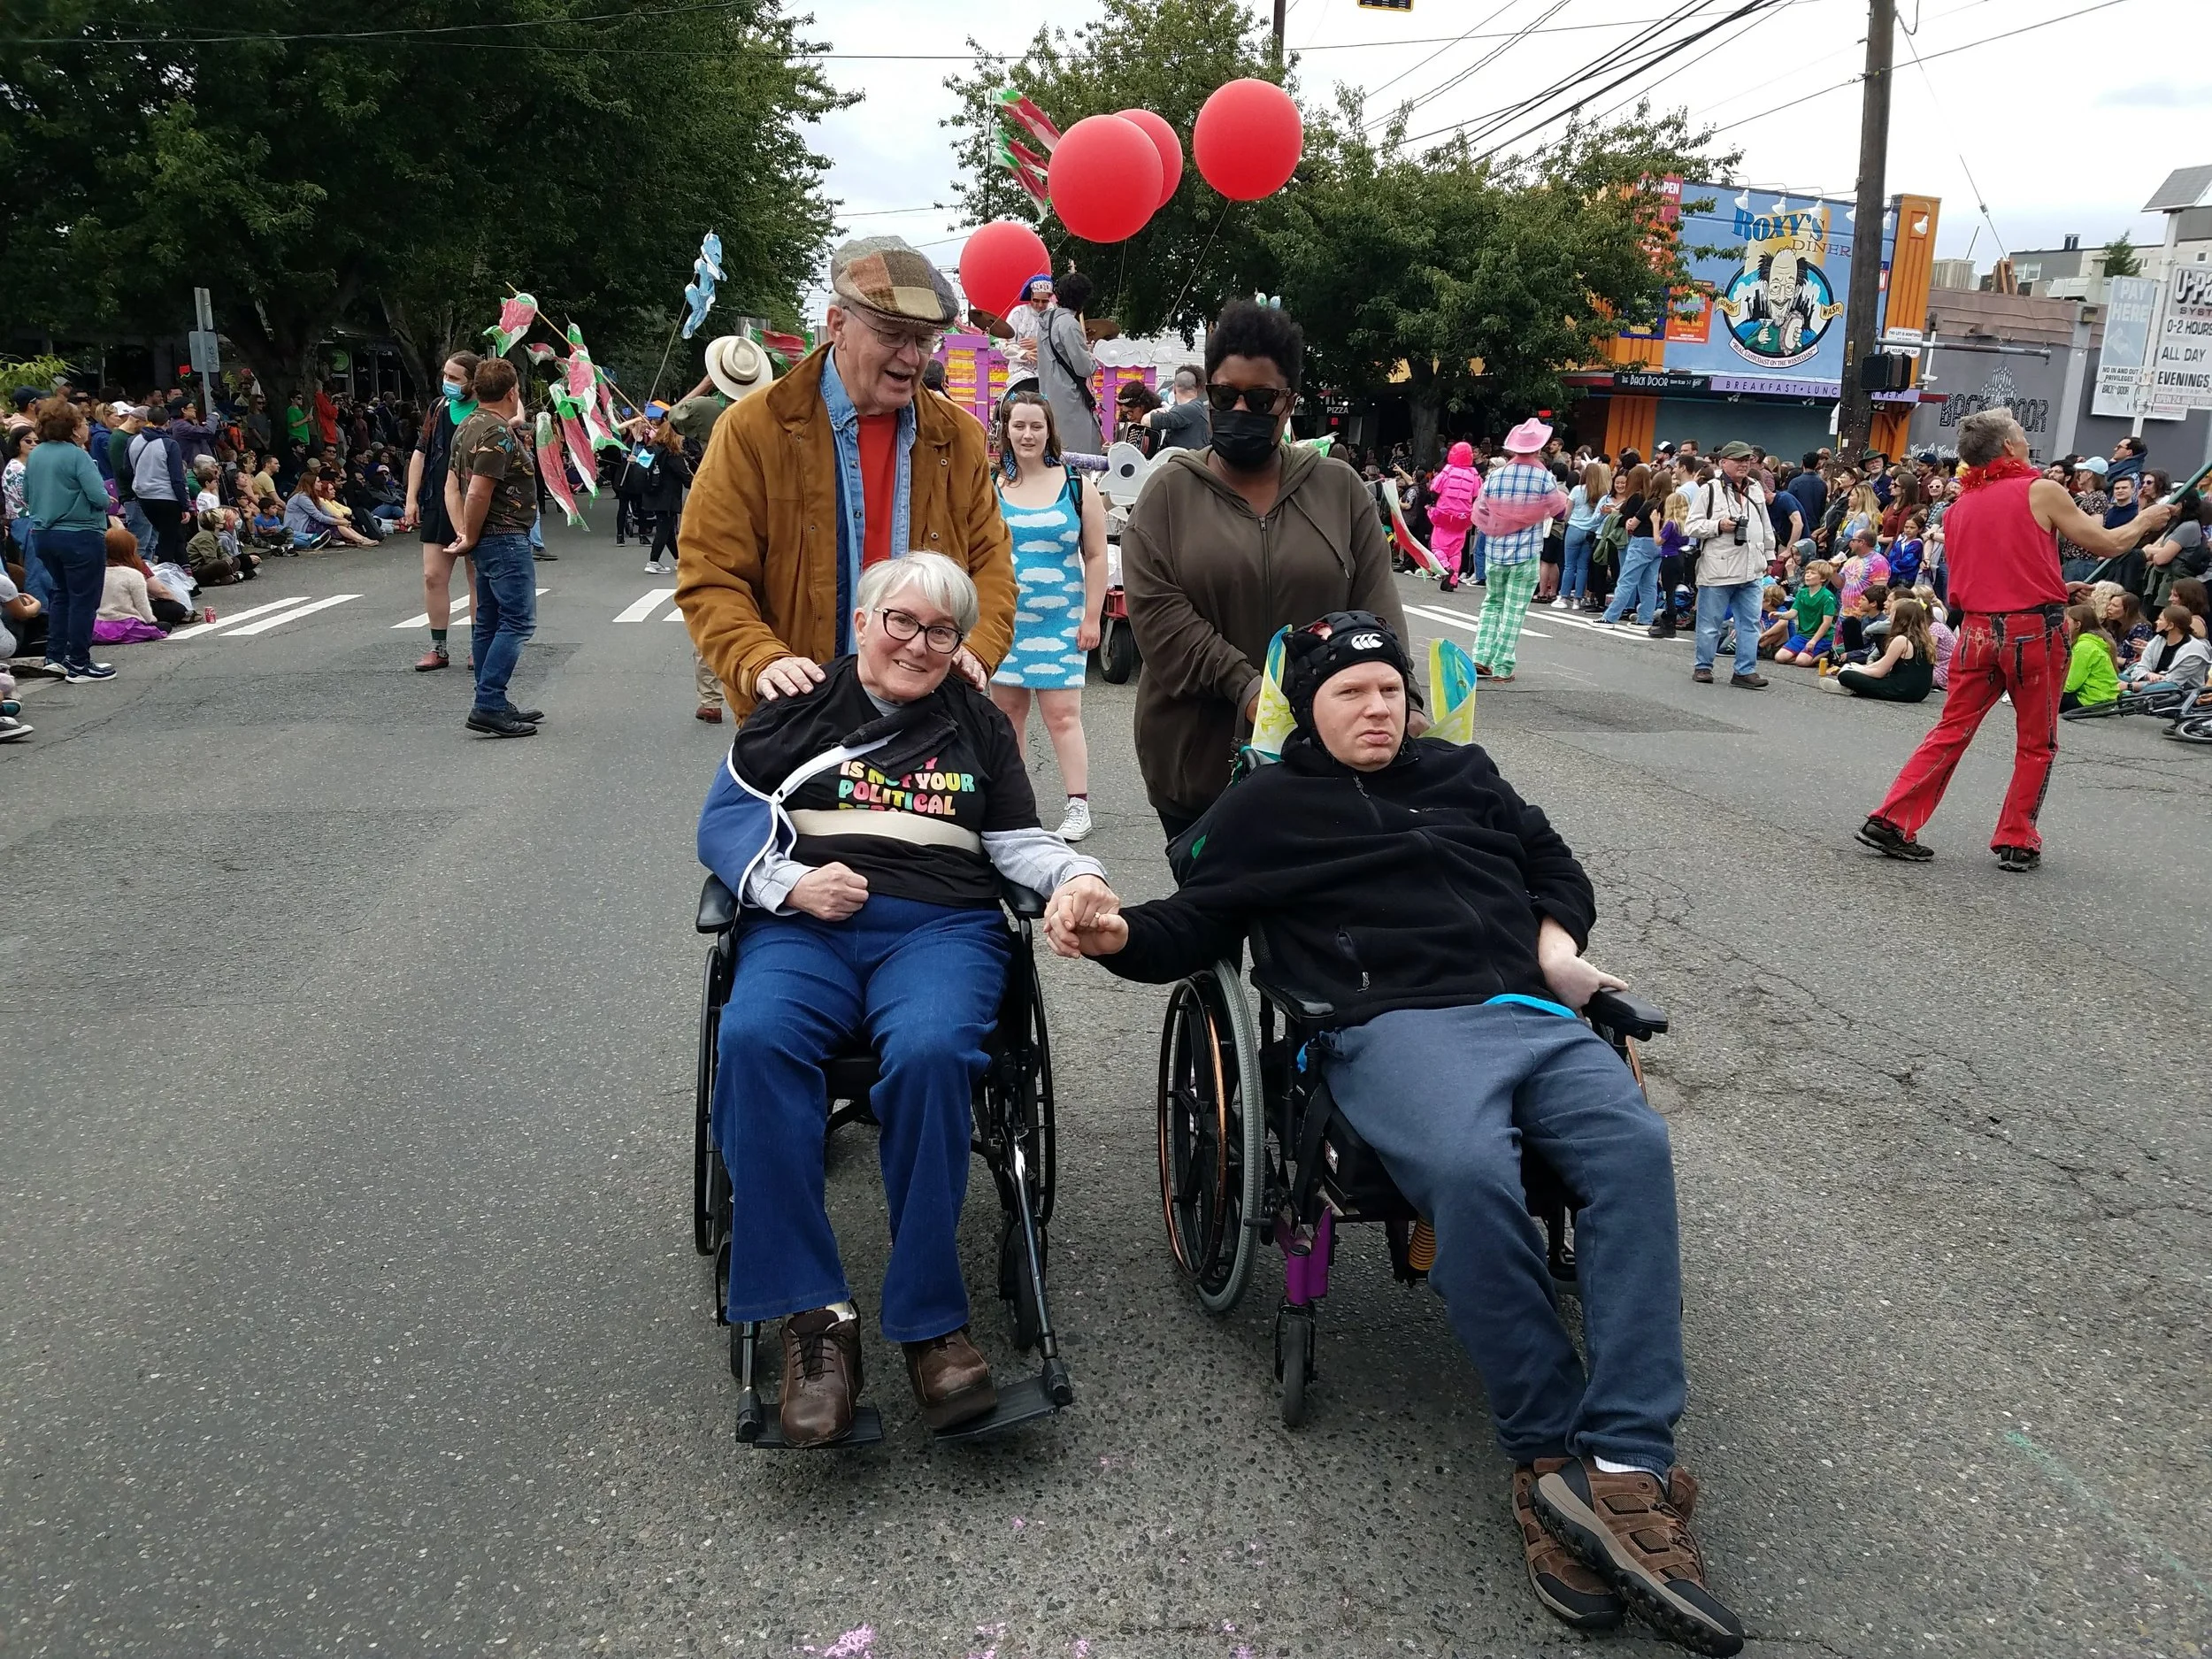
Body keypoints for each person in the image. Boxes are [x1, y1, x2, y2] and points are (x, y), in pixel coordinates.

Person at [1053, 612, 1744, 1657]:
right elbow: (1191, 926)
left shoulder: (1463, 775)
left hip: (1528, 1013)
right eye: (1349, 694)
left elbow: (1556, 868)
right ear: (1309, 712)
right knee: (1468, 1174)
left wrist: (1556, 946)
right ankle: (1547, 1451)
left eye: (1390, 691)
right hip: (1390, 1029)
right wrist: (1112, 931)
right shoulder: (1265, 808)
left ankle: (1623, 1467)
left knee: (1633, 1152)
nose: (1377, 709)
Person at [695, 552, 1115, 1447]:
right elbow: (723, 824)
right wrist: (784, 885)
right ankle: (815, 1322)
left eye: (940, 631)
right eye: (902, 622)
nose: (918, 646)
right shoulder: (797, 702)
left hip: (938, 927)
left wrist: (1080, 877)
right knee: (756, 1037)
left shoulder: (974, 720)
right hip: (807, 922)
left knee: (931, 1053)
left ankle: (931, 1321)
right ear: (862, 622)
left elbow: (1014, 842)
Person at [677, 235, 1015, 722]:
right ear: (838, 326)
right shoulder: (755, 427)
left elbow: (992, 565)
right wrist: (761, 658)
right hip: (798, 716)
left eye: (924, 340)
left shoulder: (958, 436)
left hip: (925, 714)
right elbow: (711, 574)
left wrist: (977, 647)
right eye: (892, 334)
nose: (911, 357)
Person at [1118, 300, 1422, 841]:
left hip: (1324, 766)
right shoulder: (1168, 492)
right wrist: (1250, 689)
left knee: (1313, 923)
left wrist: (1405, 698)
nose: (1238, 409)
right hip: (1197, 766)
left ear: (1289, 404)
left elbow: (1378, 611)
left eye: (1258, 399)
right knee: (1208, 921)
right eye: (1223, 395)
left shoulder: (1339, 489)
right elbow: (1160, 620)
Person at [1858, 407, 2175, 873]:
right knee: (2036, 742)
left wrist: (2053, 588)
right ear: (2008, 447)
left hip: (1977, 632)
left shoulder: (1962, 506)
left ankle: (1892, 817)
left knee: (1951, 730)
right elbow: (2108, 543)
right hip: (2031, 634)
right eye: (2022, 436)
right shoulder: (2041, 489)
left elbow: (1983, 575)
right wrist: (2148, 520)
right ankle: (2016, 838)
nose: (2027, 443)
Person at [989, 392, 1108, 841]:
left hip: (1063, 621)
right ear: (1005, 430)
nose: (1027, 434)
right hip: (1006, 622)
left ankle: (1078, 806)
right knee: (1007, 716)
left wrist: (1092, 618)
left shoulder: (1077, 486)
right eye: (1017, 425)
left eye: (1036, 426)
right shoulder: (992, 485)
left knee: (1063, 716)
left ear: (1049, 431)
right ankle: (1018, 805)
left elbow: (1096, 556)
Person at [444, 358, 541, 738]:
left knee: (488, 620)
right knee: (518, 621)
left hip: (485, 538)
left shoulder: (467, 425)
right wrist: (469, 533)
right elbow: (478, 491)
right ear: (513, 392)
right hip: (504, 535)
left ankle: (492, 700)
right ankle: (488, 701)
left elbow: (452, 486)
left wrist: (465, 534)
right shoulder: (496, 433)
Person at [1466, 419, 1570, 682]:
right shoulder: (1544, 477)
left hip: (1496, 550)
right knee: (1514, 610)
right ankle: (1502, 665)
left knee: (1491, 603)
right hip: (1526, 552)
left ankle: (1481, 657)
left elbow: (1484, 508)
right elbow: (1558, 511)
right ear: (1538, 448)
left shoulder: (1496, 475)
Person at [25, 396, 119, 680]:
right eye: (82, 422)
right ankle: (79, 662)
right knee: (84, 598)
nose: (87, 426)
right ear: (73, 428)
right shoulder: (77, 455)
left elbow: (28, 495)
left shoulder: (36, 454)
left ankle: (56, 656)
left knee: (61, 593)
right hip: (79, 533)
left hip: (43, 533)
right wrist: (106, 499)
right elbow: (97, 496)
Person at [404, 351, 481, 672]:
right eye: (445, 376)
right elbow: (420, 453)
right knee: (433, 576)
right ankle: (438, 647)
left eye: (454, 378)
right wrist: (411, 499)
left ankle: (480, 647)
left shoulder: (487, 411)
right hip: (438, 501)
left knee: (478, 579)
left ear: (474, 383)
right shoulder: (438, 408)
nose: (446, 383)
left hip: (477, 502)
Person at [1685, 441, 1771, 689]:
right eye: (1738, 459)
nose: (1744, 463)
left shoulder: (1755, 488)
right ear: (1724, 463)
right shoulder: (1709, 489)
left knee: (1750, 623)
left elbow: (1764, 523)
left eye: (1747, 459)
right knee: (1710, 622)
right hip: (1718, 567)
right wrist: (1718, 525)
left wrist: (1769, 554)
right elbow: (1691, 526)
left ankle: (1745, 670)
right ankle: (1703, 666)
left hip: (1751, 567)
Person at [1033, 270, 1102, 457]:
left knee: (1055, 455)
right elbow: (1084, 367)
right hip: (1071, 401)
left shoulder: (1046, 322)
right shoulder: (1069, 324)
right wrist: (1092, 357)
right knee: (1080, 458)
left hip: (1049, 396)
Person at [1828, 595, 1936, 703]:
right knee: (1854, 668)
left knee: (1845, 675)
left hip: (1901, 690)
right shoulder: (1925, 639)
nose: (1889, 616)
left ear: (1900, 617)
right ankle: (1852, 685)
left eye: (1892, 613)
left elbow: (1880, 672)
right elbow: (1882, 664)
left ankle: (1849, 686)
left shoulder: (1901, 640)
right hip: (1920, 693)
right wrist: (1861, 667)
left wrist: (1855, 670)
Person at [128, 403, 193, 566]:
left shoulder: (132, 441)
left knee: (171, 535)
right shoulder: (170, 444)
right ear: (167, 422)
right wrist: (185, 505)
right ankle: (167, 576)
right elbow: (177, 478)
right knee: (167, 541)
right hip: (167, 496)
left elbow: (126, 469)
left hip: (143, 495)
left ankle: (186, 572)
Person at [1599, 465, 1660, 627]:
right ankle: (1645, 618)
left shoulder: (1637, 497)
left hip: (1640, 541)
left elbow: (1632, 521)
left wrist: (1618, 517)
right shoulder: (1658, 499)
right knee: (1649, 583)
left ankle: (1610, 617)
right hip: (1656, 542)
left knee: (1626, 580)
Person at [634, 414, 693, 577]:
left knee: (667, 530)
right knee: (664, 529)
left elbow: (640, 467)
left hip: (651, 493)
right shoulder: (672, 453)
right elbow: (685, 477)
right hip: (667, 497)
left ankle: (679, 560)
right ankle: (653, 561)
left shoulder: (652, 448)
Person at [1428, 441, 1480, 593]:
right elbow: (1477, 494)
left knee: (1437, 546)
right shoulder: (1474, 473)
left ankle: (1445, 567)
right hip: (1463, 518)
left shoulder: (1448, 470)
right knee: (1456, 551)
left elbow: (1434, 488)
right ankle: (1453, 579)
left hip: (1444, 514)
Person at [1557, 460, 1609, 611]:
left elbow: (1567, 512)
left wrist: (1566, 521)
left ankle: (1564, 596)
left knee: (1569, 565)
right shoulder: (1602, 493)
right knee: (1583, 567)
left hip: (1574, 528)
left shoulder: (1577, 490)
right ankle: (1578, 599)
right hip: (1591, 531)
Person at [2122, 603, 2211, 690]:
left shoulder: (2194, 650)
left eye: (2160, 620)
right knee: (2115, 678)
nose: (2156, 622)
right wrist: (2148, 675)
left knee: (2164, 687)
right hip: (2149, 682)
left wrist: (2132, 686)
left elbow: (2174, 681)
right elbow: (2140, 668)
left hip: (2179, 693)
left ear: (2171, 626)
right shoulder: (2158, 640)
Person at [2058, 603, 2121, 713]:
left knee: (2042, 696)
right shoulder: (2094, 641)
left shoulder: (2084, 646)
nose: (2062, 625)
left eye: (2066, 622)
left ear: (2077, 625)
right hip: (2104, 700)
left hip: (2090, 701)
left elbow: (2070, 685)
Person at [1773, 560, 1838, 666]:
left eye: (1812, 573)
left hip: (1822, 637)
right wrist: (1780, 615)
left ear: (1823, 578)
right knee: (1780, 657)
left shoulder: (1828, 597)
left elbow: (1827, 623)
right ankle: (1803, 655)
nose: (1808, 575)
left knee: (1802, 662)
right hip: (1803, 635)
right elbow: (1793, 613)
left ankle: (1827, 653)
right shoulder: (1802, 593)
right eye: (1807, 572)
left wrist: (1814, 640)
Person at [1142, 365, 1210, 453]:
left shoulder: (1188, 410)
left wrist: (1153, 412)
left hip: (1183, 464)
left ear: (1174, 388)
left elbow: (1146, 421)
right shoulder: (1197, 408)